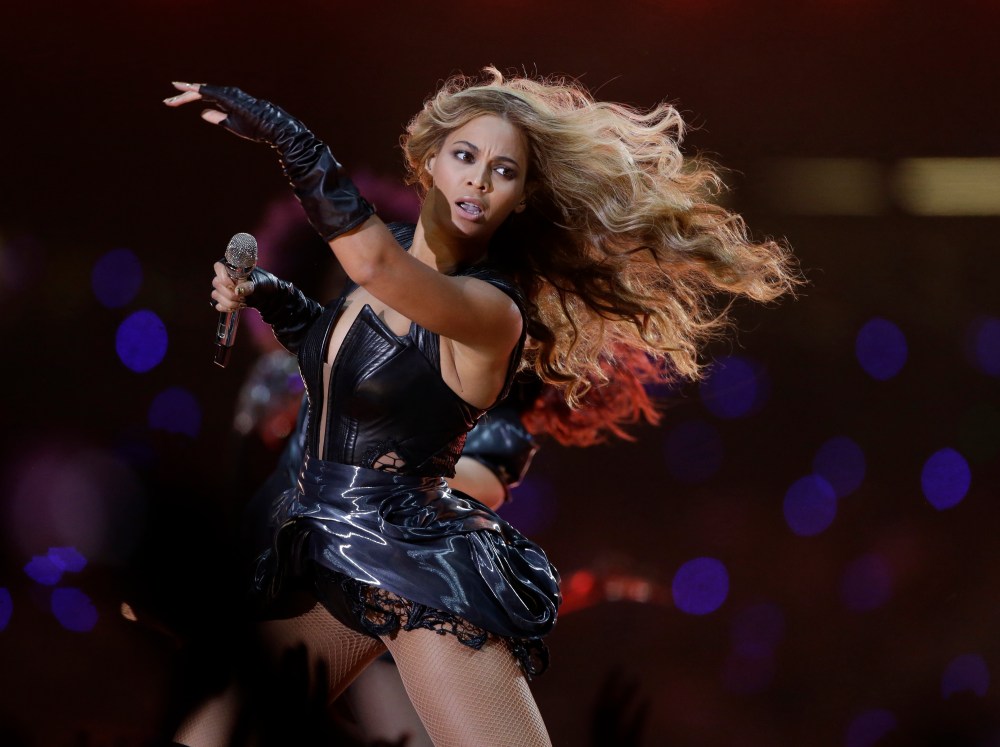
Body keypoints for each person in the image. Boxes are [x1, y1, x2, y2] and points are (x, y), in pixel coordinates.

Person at [163, 66, 798, 746]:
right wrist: (267, 292)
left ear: (521, 196)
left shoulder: (489, 307)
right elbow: (350, 354)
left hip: (417, 575)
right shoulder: (402, 267)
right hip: (338, 559)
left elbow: (375, 272)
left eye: (504, 171)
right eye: (465, 156)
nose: (478, 180)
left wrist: (286, 136)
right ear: (429, 159)